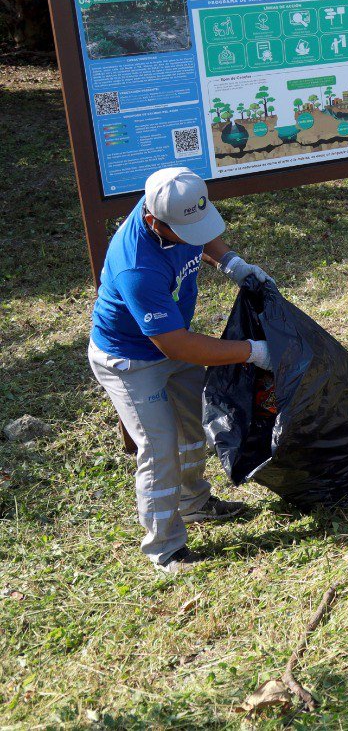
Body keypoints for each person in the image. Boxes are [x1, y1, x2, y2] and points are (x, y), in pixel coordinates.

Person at [88, 167, 273, 574]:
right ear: (154, 222)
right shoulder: (137, 266)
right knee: (159, 449)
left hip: (175, 337)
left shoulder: (169, 201)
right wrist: (251, 351)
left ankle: (193, 503)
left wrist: (231, 262)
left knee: (193, 428)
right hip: (132, 361)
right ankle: (165, 547)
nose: (194, 236)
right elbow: (175, 345)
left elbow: (200, 232)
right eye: (184, 231)